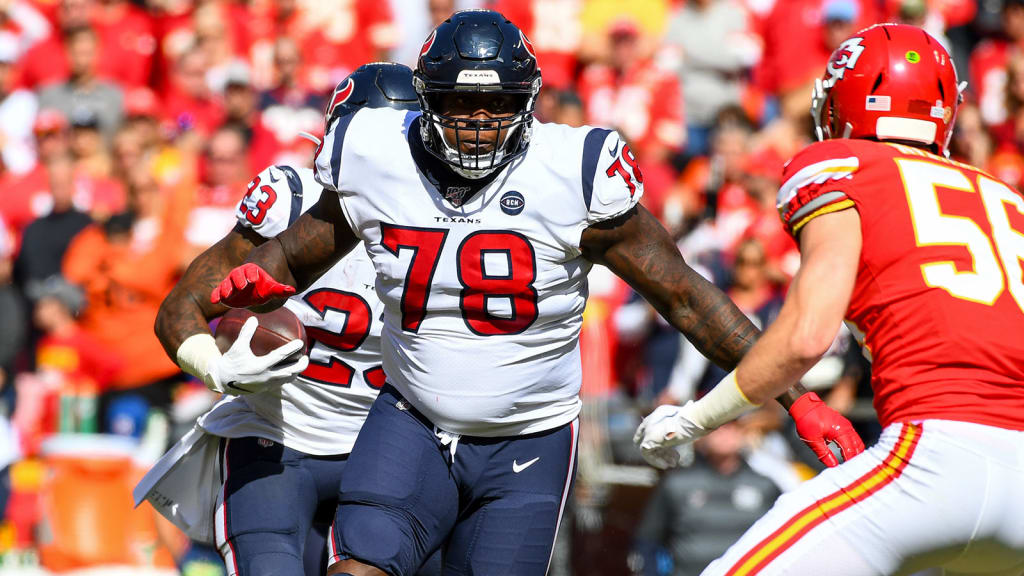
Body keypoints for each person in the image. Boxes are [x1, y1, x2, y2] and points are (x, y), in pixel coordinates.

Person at [210, 11, 864, 576]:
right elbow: (278, 263)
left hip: (529, 437)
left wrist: (796, 398)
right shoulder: (380, 154)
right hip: (410, 419)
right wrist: (252, 291)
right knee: (359, 564)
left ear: (527, 101)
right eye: (458, 102)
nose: (476, 120)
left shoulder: (573, 172)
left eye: (495, 103)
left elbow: (686, 298)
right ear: (424, 100)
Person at [635, 23, 1024, 575]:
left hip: (931, 459)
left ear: (849, 99)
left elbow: (806, 335)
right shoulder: (1006, 197)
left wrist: (695, 419)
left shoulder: (843, 166)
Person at [136, 63, 440, 576]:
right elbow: (181, 306)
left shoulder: (456, 219)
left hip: (390, 448)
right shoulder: (291, 200)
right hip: (275, 438)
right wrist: (216, 366)